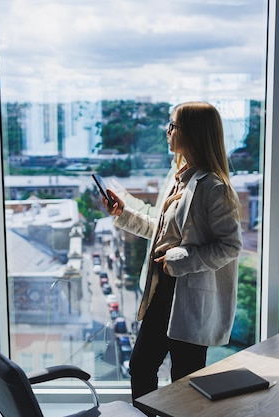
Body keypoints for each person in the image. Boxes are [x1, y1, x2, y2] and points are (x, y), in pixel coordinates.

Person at [102, 101, 242, 413]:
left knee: (185, 383)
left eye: (174, 125)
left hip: (190, 299)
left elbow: (230, 246)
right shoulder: (179, 177)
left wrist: (179, 261)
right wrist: (124, 214)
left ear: (192, 132)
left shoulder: (213, 187)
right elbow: (163, 232)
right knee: (140, 367)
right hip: (163, 293)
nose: (168, 131)